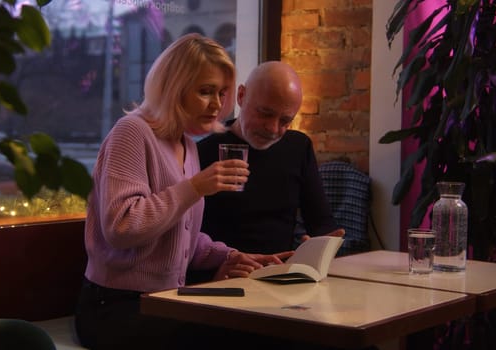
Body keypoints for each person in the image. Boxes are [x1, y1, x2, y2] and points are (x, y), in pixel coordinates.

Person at [74, 34, 291, 350]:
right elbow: (121, 228)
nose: (216, 104)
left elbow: (178, 234)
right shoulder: (132, 132)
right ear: (173, 88)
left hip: (166, 300)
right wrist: (195, 187)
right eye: (205, 91)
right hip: (114, 309)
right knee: (245, 333)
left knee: (274, 321)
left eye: (220, 93)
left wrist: (229, 256)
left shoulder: (185, 145)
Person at [196, 61, 345, 258]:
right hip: (220, 277)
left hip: (280, 274)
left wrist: (321, 246)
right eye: (265, 114)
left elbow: (321, 222)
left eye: (285, 121)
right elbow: (188, 238)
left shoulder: (298, 148)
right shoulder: (203, 152)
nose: (273, 129)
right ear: (241, 96)